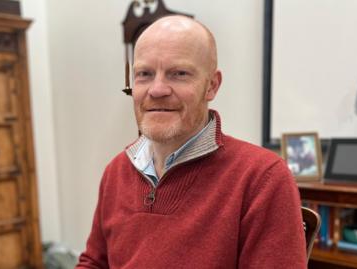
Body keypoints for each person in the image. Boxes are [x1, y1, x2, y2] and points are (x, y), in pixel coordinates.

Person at [76, 15, 306, 268]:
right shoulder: (116, 172)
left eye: (179, 73)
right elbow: (94, 262)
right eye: (144, 74)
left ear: (212, 86)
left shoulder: (262, 178)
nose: (157, 89)